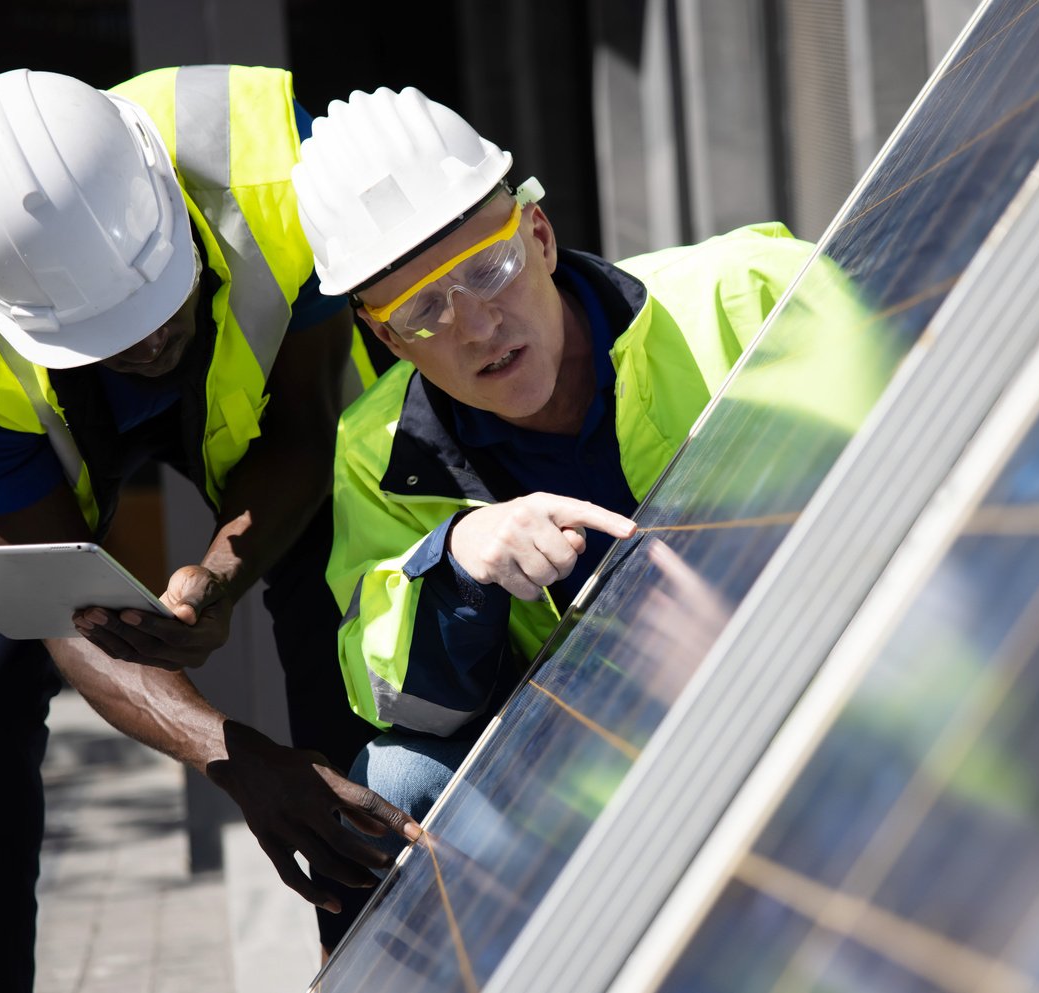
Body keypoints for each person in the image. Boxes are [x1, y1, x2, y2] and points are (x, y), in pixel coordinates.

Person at [0, 66, 415, 992]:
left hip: (271, 395)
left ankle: (375, 943)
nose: (149, 340)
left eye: (157, 303)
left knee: (337, 592)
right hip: (33, 431)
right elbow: (53, 603)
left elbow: (303, 421)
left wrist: (217, 578)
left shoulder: (279, 164)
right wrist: (229, 753)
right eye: (110, 332)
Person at [289, 87, 830, 864]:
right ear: (387, 338)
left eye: (491, 268)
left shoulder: (749, 295)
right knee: (396, 781)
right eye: (423, 313)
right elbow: (395, 695)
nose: (477, 325)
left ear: (538, 234)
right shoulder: (378, 451)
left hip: (829, 635)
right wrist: (458, 565)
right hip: (612, 746)